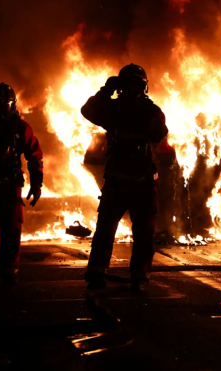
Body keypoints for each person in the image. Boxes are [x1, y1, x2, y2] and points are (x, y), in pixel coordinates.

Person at [81, 64, 168, 292]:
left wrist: (109, 93)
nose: (132, 89)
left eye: (135, 85)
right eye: (127, 85)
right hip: (122, 182)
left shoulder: (143, 111)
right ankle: (98, 274)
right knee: (107, 230)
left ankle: (138, 277)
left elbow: (160, 133)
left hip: (141, 182)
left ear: (143, 87)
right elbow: (87, 110)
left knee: (142, 233)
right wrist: (106, 91)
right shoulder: (115, 110)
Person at [0, 83, 43, 285]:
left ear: (12, 105)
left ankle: (8, 268)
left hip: (10, 186)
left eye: (4, 105)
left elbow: (35, 157)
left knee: (12, 229)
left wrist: (37, 183)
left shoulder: (20, 128)